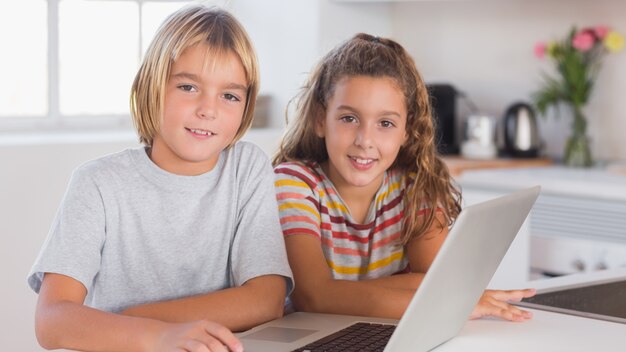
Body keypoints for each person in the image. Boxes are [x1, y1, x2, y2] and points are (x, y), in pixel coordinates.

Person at [28, 5, 293, 352]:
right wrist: (157, 336)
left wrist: (137, 317)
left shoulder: (246, 168)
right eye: (187, 86)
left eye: (229, 95)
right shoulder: (97, 184)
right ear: (151, 86)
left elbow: (266, 300)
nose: (208, 109)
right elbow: (51, 321)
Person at [272, 33, 535, 322]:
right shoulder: (294, 184)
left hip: (388, 329)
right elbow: (312, 298)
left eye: (385, 123)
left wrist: (338, 293)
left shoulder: (415, 187)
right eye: (349, 118)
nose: (365, 140)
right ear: (321, 120)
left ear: (406, 131)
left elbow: (442, 283)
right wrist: (445, 305)